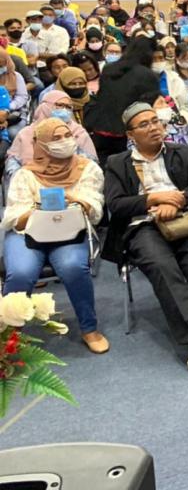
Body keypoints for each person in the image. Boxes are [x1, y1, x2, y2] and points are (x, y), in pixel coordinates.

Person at [103, 103, 188, 369]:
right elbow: (116, 204)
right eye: (144, 125)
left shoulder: (182, 152)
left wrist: (177, 202)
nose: (154, 128)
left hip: (184, 219)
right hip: (142, 225)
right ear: (130, 135)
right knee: (162, 265)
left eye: (155, 121)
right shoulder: (117, 163)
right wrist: (153, 199)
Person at [2, 118, 108, 353]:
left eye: (67, 135)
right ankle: (8, 337)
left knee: (73, 267)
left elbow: (95, 207)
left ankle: (89, 328)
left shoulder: (88, 168)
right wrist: (39, 210)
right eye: (56, 138)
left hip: (69, 232)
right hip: (26, 233)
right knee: (20, 273)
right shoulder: (25, 174)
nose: (65, 141)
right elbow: (13, 217)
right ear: (41, 144)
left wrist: (75, 201)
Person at [84, 36, 159, 161]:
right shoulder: (148, 75)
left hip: (101, 129)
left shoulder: (108, 69)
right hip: (127, 133)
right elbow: (145, 107)